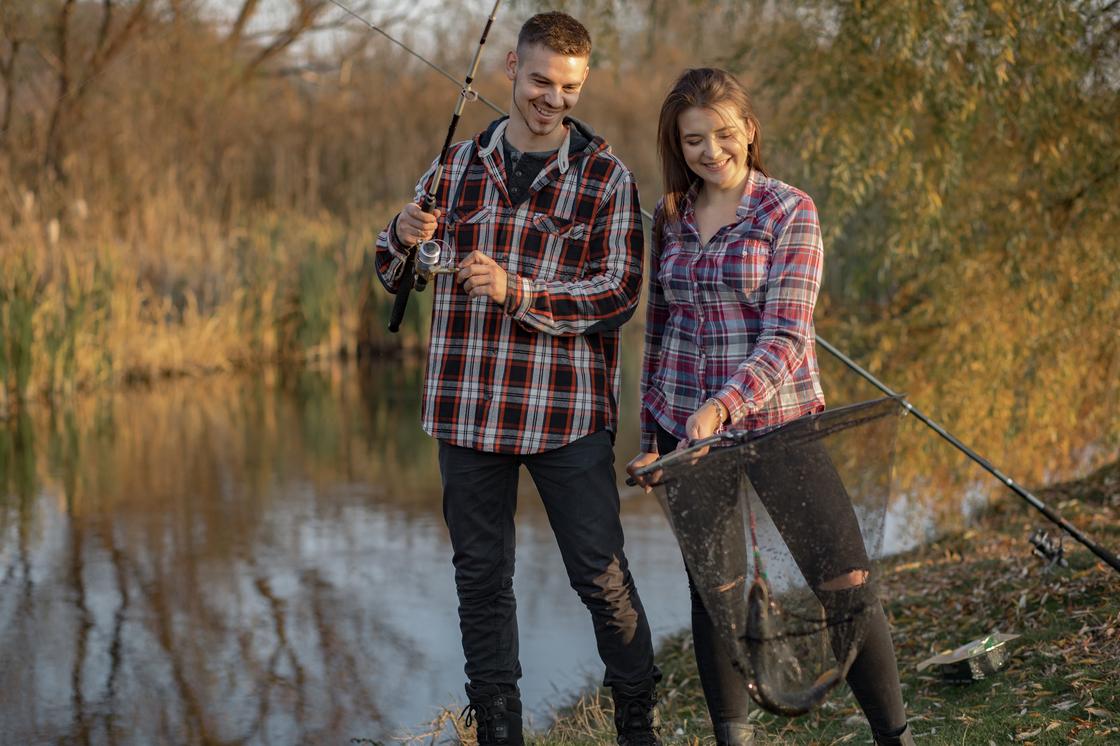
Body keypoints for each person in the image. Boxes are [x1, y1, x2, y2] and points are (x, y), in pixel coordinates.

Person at [375, 12, 662, 746]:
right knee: (480, 580)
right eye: (540, 81)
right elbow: (391, 269)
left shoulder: (606, 177)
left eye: (569, 87)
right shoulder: (455, 167)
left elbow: (618, 295)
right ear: (510, 68)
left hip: (564, 416)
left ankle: (638, 719)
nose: (553, 99)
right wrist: (402, 237)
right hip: (467, 410)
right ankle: (498, 725)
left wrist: (518, 290)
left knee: (601, 578)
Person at [626, 68, 914, 746]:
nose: (710, 150)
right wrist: (654, 438)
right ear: (678, 143)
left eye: (723, 133)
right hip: (686, 434)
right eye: (693, 139)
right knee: (716, 595)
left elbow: (787, 336)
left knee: (844, 580)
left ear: (749, 131)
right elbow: (659, 334)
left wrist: (723, 408)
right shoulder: (670, 217)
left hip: (779, 423)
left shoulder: (790, 210)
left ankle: (894, 736)